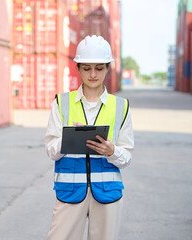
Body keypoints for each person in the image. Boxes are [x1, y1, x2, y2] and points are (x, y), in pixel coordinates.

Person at [45, 35, 134, 240]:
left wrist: (112, 152)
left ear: (107, 68)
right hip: (69, 192)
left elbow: (127, 156)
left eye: (99, 68)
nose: (93, 74)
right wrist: (68, 139)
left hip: (107, 193)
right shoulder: (61, 103)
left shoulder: (121, 107)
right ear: (78, 68)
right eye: (87, 68)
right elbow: (50, 149)